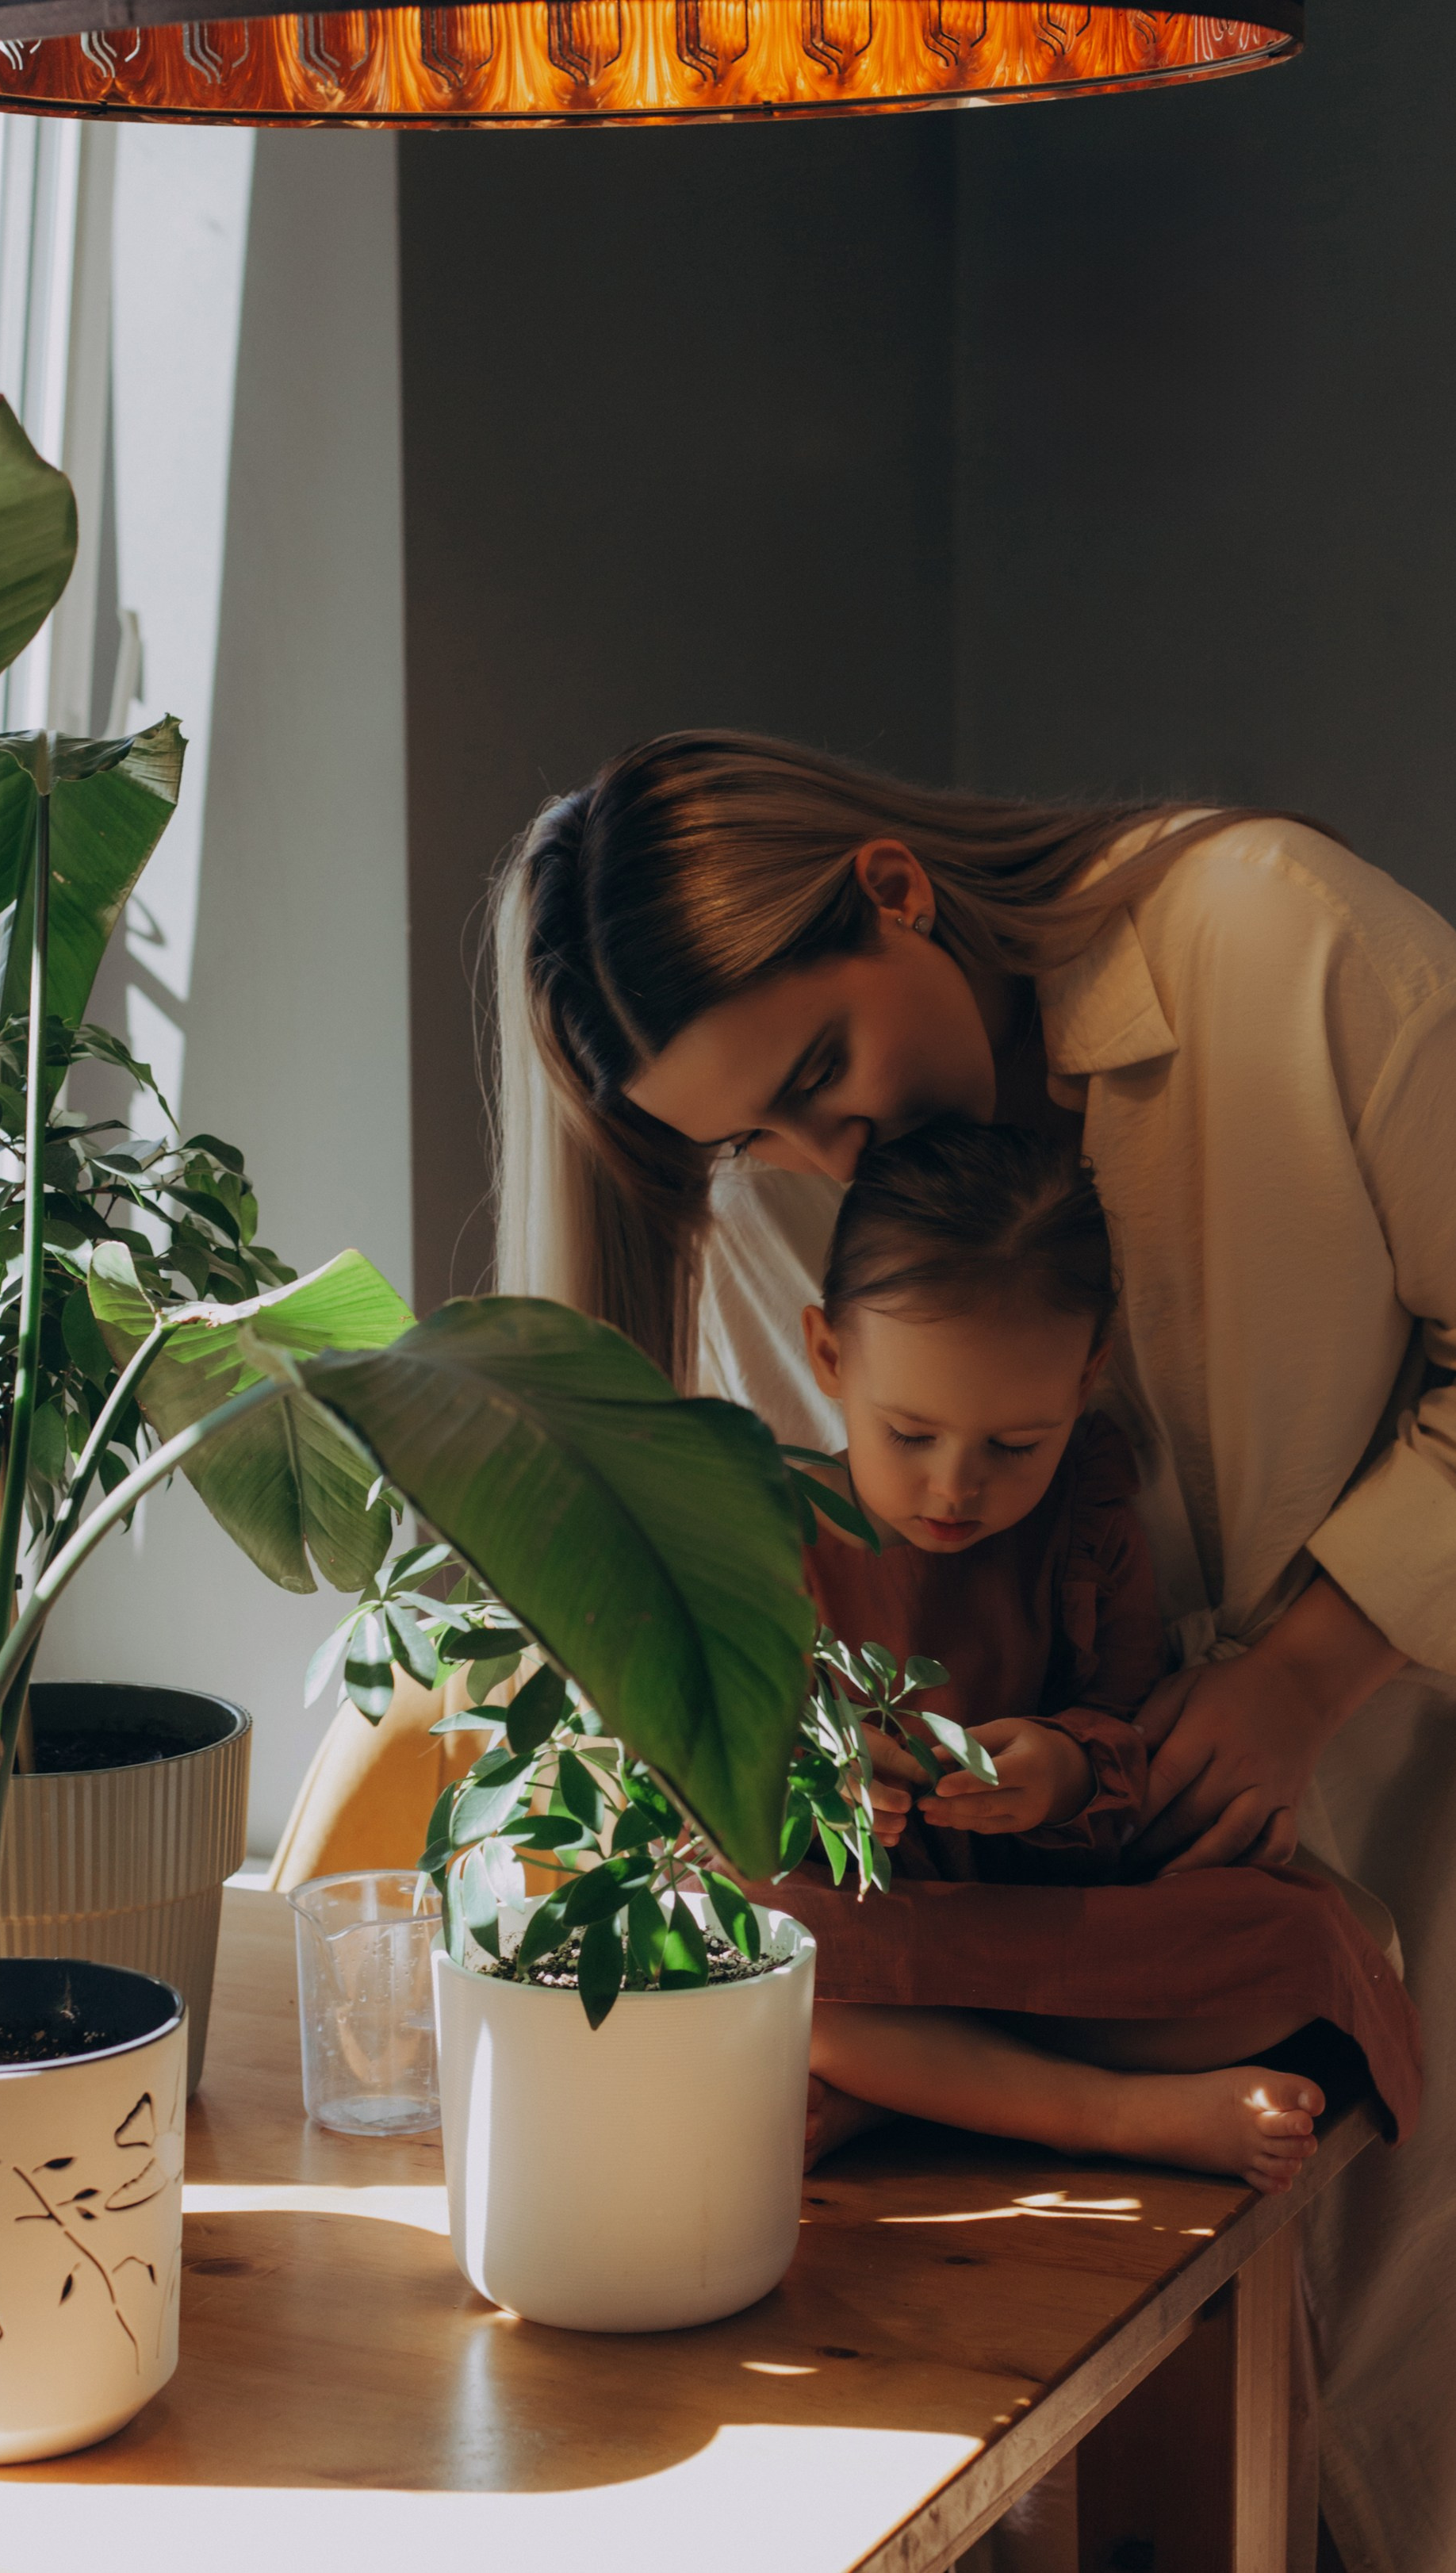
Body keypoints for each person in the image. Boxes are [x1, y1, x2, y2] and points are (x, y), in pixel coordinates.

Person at [492, 728, 1456, 2573]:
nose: (810, 1157)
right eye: (751, 1136)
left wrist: (1306, 1673)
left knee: (1396, 2439)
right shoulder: (805, 1195)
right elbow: (840, 1579)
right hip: (1043, 1920)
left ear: (895, 890)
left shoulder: (1274, 936)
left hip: (1396, 1782)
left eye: (814, 1075)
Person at [778, 1116, 1416, 2194]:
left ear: (1086, 1379)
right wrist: (825, 1781)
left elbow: (1125, 1735)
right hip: (870, 1930)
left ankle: (901, 2086)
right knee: (749, 1932)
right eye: (910, 1435)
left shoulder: (1087, 1514)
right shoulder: (770, 1532)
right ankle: (1111, 2113)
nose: (954, 1488)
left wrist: (1067, 1772)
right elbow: (725, 1762)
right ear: (829, 1355)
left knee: (1302, 1940)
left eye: (1013, 1446)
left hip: (1042, 1934)